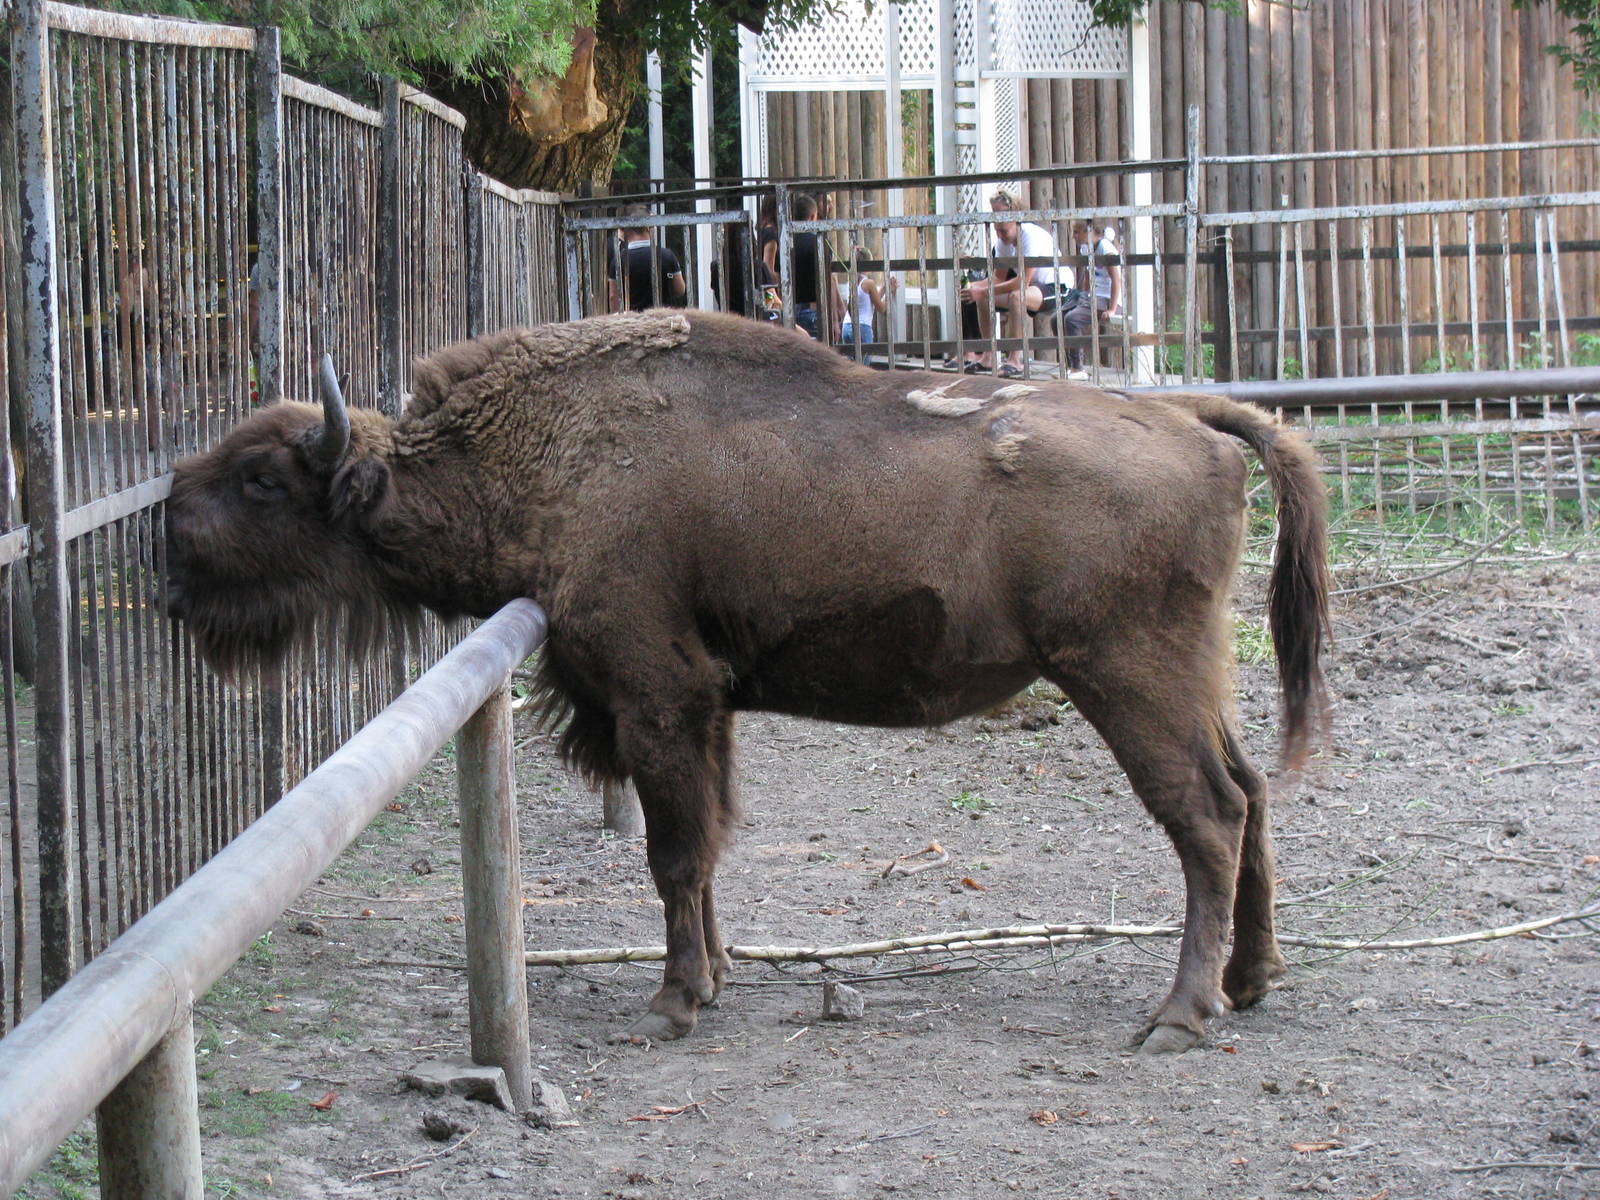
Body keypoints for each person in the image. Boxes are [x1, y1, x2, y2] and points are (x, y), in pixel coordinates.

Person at [958, 188, 1070, 378]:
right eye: (997, 228)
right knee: (984, 298)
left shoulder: (1029, 235)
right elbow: (998, 278)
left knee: (1016, 296)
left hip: (1056, 286)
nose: (1000, 233)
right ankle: (988, 356)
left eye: (1003, 229)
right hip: (1032, 288)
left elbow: (1022, 282)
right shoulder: (1003, 241)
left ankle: (1015, 359)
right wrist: (977, 287)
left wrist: (985, 290)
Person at [1061, 221, 1123, 379]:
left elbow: (1116, 280)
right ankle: (1070, 362)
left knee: (1072, 319)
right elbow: (1089, 274)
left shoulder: (1105, 249)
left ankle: (1077, 368)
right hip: (1093, 296)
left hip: (1108, 298)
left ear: (1089, 231)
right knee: (1058, 318)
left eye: (1077, 232)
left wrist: (1112, 309)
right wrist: (1084, 294)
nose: (1073, 236)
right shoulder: (1086, 248)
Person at [607, 206, 688, 312]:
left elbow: (613, 297)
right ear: (647, 228)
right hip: (661, 319)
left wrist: (617, 319)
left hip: (632, 322)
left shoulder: (618, 260)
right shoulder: (666, 256)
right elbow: (679, 289)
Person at [838, 247, 896, 351]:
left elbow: (869, 299)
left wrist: (883, 288)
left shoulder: (851, 282)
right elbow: (881, 308)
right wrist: (890, 293)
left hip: (846, 327)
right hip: (862, 327)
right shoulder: (869, 283)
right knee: (863, 365)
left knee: (852, 365)